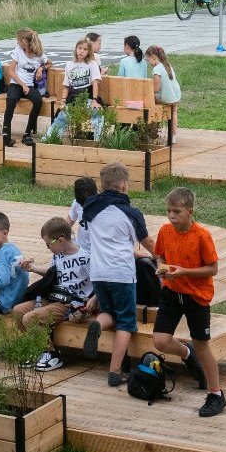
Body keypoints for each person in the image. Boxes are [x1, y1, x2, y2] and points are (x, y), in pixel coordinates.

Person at [150, 187, 225, 417]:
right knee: (160, 341)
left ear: (189, 211)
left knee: (202, 345)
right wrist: (162, 269)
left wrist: (184, 272)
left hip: (196, 296)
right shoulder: (165, 230)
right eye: (168, 211)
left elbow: (213, 268)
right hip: (172, 292)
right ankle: (186, 353)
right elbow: (159, 254)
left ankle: (216, 395)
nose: (171, 216)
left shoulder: (202, 236)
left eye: (176, 212)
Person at [80, 163, 152, 388]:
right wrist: (162, 256)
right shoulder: (131, 213)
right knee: (126, 322)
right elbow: (148, 242)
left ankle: (98, 326)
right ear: (124, 185)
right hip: (121, 272)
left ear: (102, 185)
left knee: (109, 312)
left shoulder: (90, 209)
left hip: (99, 272)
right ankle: (115, 372)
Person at [14, 216, 110, 372]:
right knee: (19, 311)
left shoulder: (85, 258)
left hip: (70, 303)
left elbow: (101, 281)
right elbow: (53, 273)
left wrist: (93, 301)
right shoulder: (58, 255)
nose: (47, 247)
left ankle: (51, 354)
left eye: (48, 244)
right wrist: (33, 268)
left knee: (30, 318)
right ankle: (35, 349)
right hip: (54, 297)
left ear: (61, 240)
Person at [1, 28, 48, 146]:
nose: (17, 43)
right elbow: (11, 71)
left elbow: (49, 63)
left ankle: (27, 134)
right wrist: (22, 85)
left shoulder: (39, 54)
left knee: (38, 100)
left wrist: (41, 68)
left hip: (30, 85)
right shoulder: (18, 50)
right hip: (16, 84)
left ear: (24, 41)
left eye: (18, 40)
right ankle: (6, 134)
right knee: (11, 99)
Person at [147, 45, 182, 140]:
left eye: (148, 59)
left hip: (166, 97)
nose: (148, 62)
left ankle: (152, 132)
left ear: (153, 58)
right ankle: (173, 135)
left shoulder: (157, 69)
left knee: (149, 103)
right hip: (175, 96)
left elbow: (156, 89)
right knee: (173, 113)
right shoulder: (167, 65)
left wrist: (147, 93)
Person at [61, 39, 102, 104]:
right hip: (73, 96)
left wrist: (94, 100)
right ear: (76, 49)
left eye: (85, 49)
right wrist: (63, 101)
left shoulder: (92, 64)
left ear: (88, 52)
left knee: (93, 111)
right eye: (80, 48)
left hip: (88, 95)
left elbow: (95, 83)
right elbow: (66, 86)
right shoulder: (69, 66)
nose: (82, 51)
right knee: (62, 114)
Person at [71, 177, 97, 253]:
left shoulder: (103, 208)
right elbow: (70, 219)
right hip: (82, 250)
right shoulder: (76, 202)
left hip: (98, 252)